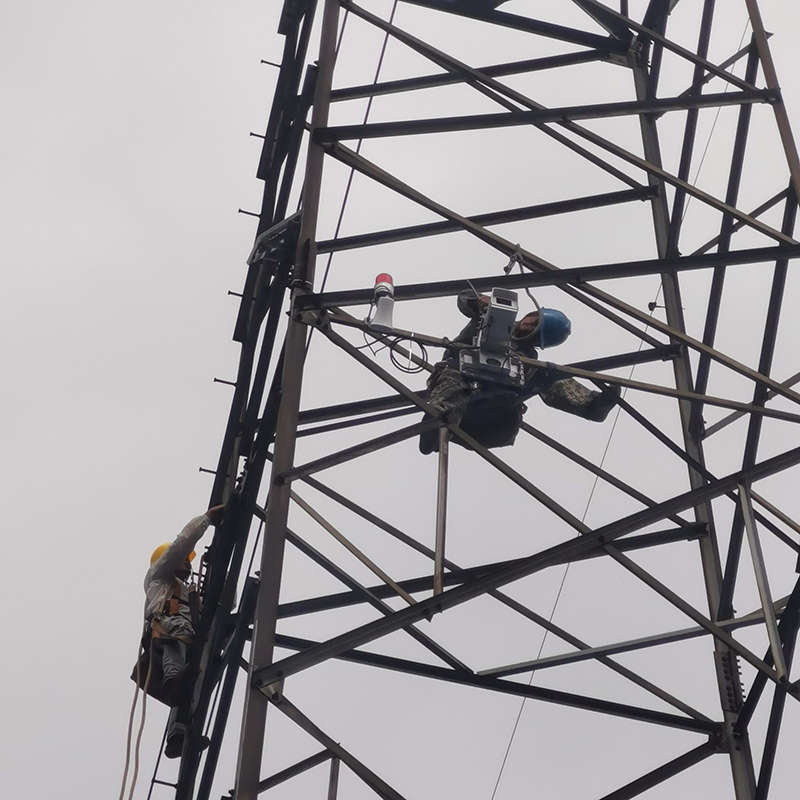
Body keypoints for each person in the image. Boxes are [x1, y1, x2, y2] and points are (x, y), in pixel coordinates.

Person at [419, 291, 618, 454]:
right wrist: (479, 304)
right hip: (461, 373)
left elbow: (549, 383)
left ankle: (592, 405)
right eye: (532, 320)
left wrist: (600, 404)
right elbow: (464, 296)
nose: (527, 326)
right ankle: (438, 422)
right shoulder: (493, 317)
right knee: (453, 386)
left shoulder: (529, 362)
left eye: (534, 329)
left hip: (492, 414)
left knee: (547, 375)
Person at [142, 504, 225, 757]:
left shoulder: (190, 593)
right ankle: (173, 677)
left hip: (189, 636)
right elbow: (179, 546)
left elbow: (223, 605)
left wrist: (219, 572)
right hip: (166, 629)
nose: (188, 565)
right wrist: (206, 520)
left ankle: (179, 734)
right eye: (185, 561)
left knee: (200, 674)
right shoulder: (160, 575)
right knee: (177, 638)